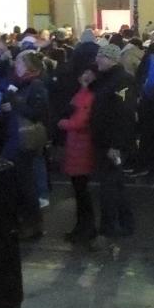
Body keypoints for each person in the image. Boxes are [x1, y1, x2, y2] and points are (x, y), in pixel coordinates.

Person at [0, 52, 50, 241]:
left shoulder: (36, 84)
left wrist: (15, 103)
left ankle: (32, 223)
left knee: (25, 182)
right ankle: (25, 221)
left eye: (19, 62)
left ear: (27, 65)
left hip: (24, 139)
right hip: (15, 135)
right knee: (19, 180)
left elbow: (37, 112)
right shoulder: (20, 83)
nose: (15, 65)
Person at [90, 42, 138, 237]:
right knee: (115, 183)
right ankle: (125, 223)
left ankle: (110, 227)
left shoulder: (122, 81)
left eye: (100, 57)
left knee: (109, 186)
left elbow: (123, 114)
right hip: (105, 141)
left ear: (109, 59)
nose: (96, 60)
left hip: (113, 143)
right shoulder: (106, 79)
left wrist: (116, 145)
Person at [57, 62, 98, 247]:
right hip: (76, 145)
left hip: (81, 146)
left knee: (81, 191)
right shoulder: (84, 92)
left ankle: (85, 228)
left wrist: (63, 123)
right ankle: (82, 227)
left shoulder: (89, 95)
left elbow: (80, 121)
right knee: (79, 190)